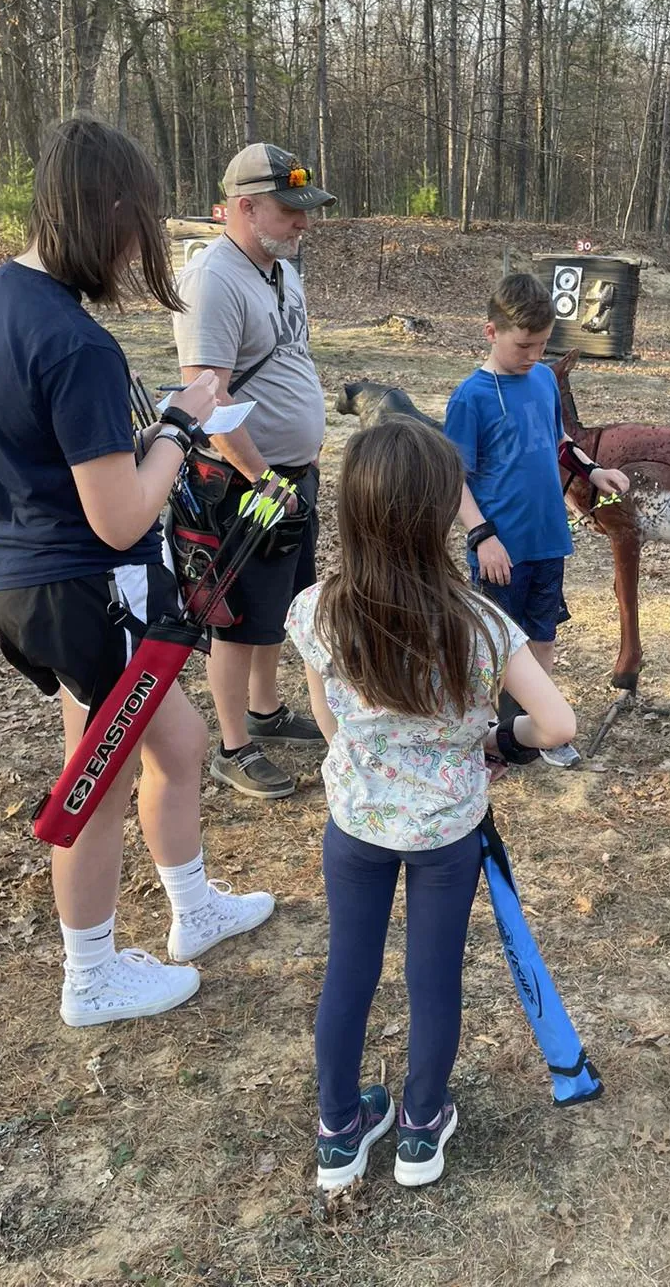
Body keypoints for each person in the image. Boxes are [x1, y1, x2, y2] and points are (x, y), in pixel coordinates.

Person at [0, 118, 275, 1026]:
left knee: (178, 745)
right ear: (109, 210)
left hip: (25, 577)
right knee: (97, 782)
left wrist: (146, 436)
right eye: (139, 228)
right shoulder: (75, 342)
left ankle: (193, 908)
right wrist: (178, 426)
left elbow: (48, 456)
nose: (138, 252)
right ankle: (89, 976)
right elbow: (122, 512)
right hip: (89, 589)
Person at [286, 418, 576, 1190]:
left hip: (355, 824)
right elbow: (558, 725)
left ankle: (339, 1132)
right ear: (445, 513)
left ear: (352, 511)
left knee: (349, 969)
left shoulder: (317, 611)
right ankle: (420, 1126)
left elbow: (326, 722)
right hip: (448, 833)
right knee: (432, 975)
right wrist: (494, 739)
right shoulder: (481, 624)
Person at [171, 143, 334, 799]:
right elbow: (208, 395)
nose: (303, 223)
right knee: (236, 616)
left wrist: (299, 457)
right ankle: (234, 746)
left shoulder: (279, 270)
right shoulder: (213, 279)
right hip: (245, 484)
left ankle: (267, 712)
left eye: (304, 211)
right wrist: (265, 475)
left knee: (285, 602)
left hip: (289, 475)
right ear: (245, 207)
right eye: (289, 210)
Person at [444, 273, 629, 767]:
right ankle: (483, 734)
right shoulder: (471, 397)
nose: (533, 355)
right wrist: (482, 536)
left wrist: (595, 470)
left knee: (542, 633)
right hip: (500, 546)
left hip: (548, 538)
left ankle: (542, 727)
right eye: (524, 345)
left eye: (542, 345)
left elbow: (559, 442)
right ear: (491, 332)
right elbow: (453, 478)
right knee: (494, 641)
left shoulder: (546, 378)